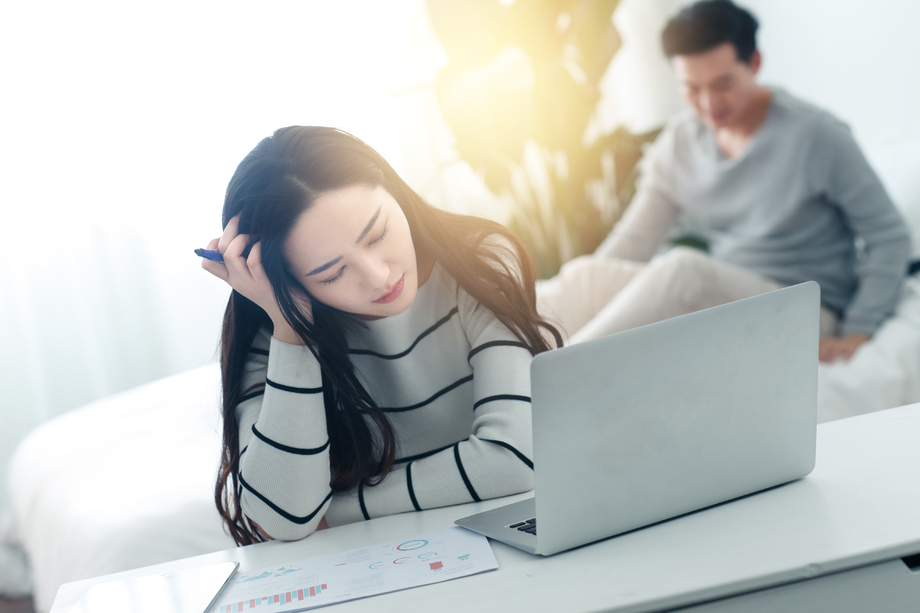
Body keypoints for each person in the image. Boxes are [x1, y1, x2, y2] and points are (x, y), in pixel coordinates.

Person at [202, 126, 561, 545]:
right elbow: (283, 518)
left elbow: (512, 460)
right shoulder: (274, 332)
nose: (378, 276)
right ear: (291, 283)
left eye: (377, 234)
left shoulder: (478, 264)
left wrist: (337, 512)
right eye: (333, 273)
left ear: (394, 192)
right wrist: (291, 329)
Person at [538, 0, 911, 364]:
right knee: (588, 276)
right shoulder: (681, 142)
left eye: (722, 84)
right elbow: (634, 241)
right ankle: (510, 364)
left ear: (755, 63)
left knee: (685, 270)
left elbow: (889, 237)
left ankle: (552, 381)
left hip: (808, 308)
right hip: (726, 298)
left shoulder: (816, 135)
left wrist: (857, 332)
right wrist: (599, 295)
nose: (708, 103)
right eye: (692, 88)